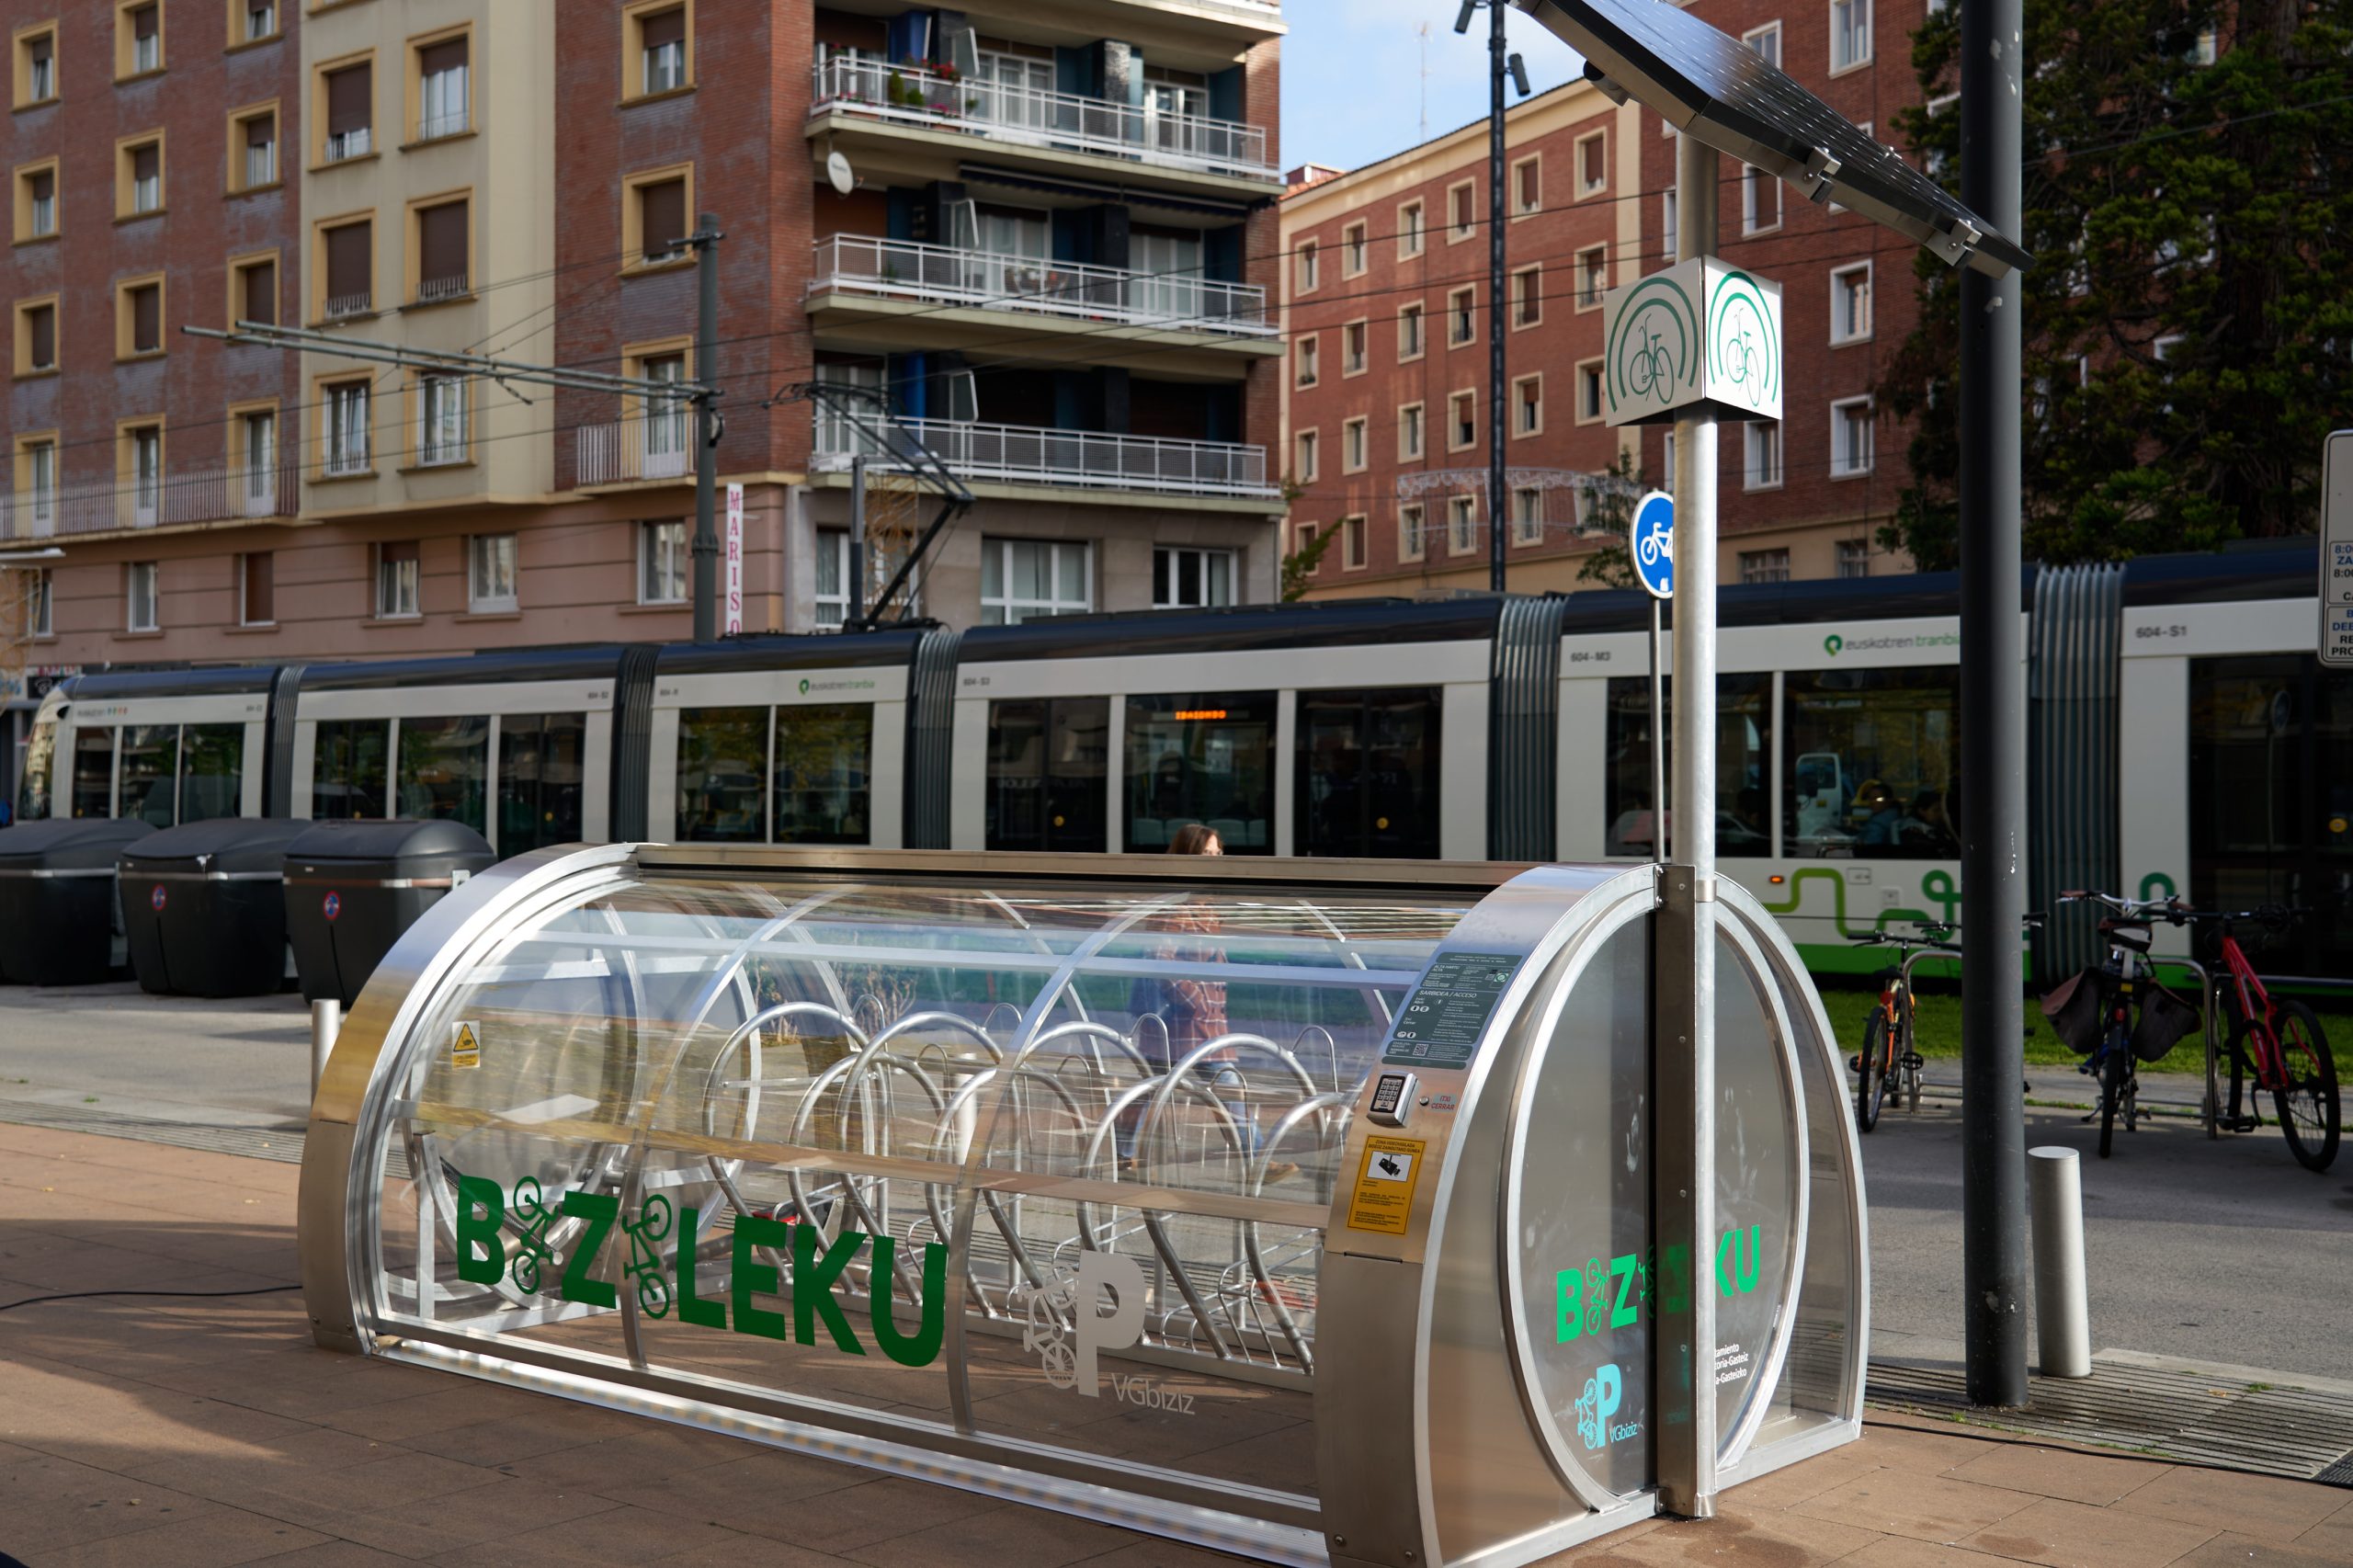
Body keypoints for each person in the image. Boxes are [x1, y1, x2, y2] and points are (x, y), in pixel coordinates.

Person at [1120, 824, 1296, 1183]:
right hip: (1188, 1024)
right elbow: (1160, 959)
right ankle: (1256, 1162)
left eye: (1218, 853)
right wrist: (1197, 1002)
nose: (1215, 860)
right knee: (1218, 1088)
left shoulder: (1205, 908)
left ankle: (1122, 1155)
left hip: (1201, 1024)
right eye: (1207, 854)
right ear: (1188, 857)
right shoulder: (1178, 910)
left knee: (1155, 1090)